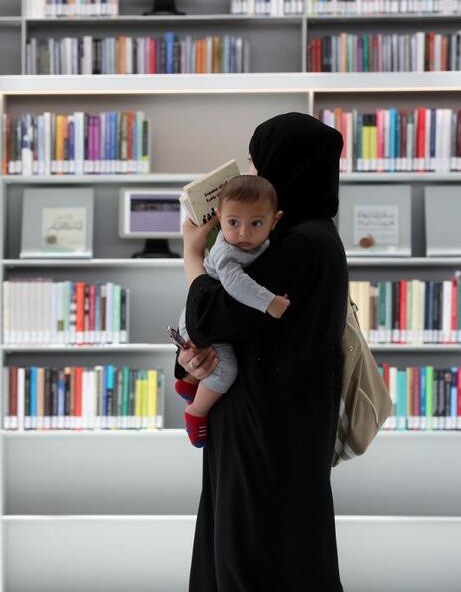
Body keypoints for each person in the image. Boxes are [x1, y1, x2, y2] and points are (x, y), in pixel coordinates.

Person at [177, 112, 347, 591]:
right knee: (253, 551)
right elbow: (232, 329)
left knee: (253, 558)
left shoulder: (301, 243)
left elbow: (213, 316)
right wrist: (194, 359)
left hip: (267, 430)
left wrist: (192, 255)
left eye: (259, 162)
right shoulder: (292, 236)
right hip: (269, 421)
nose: (251, 176)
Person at [176, 175, 290, 448]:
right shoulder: (227, 251)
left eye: (256, 223)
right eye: (233, 223)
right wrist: (269, 302)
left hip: (207, 317)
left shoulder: (262, 244)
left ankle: (189, 384)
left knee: (215, 364)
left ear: (275, 220)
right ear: (219, 217)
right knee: (226, 370)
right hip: (198, 321)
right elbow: (235, 283)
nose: (244, 233)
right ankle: (196, 411)